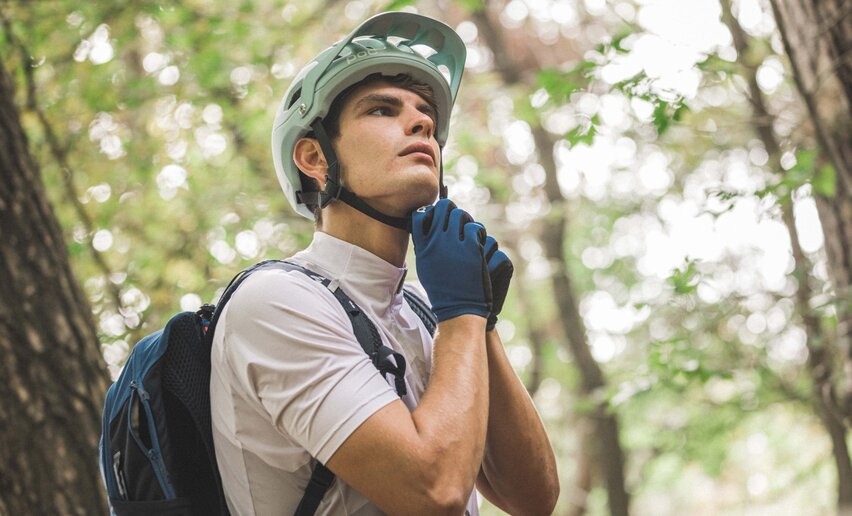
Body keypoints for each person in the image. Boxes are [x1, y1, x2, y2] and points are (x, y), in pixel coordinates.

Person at [210, 11, 559, 515]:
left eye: (426, 115)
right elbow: (434, 495)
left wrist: (480, 320)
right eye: (381, 109)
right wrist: (462, 313)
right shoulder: (276, 302)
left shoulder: (424, 311)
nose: (423, 123)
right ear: (315, 158)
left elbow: (534, 497)